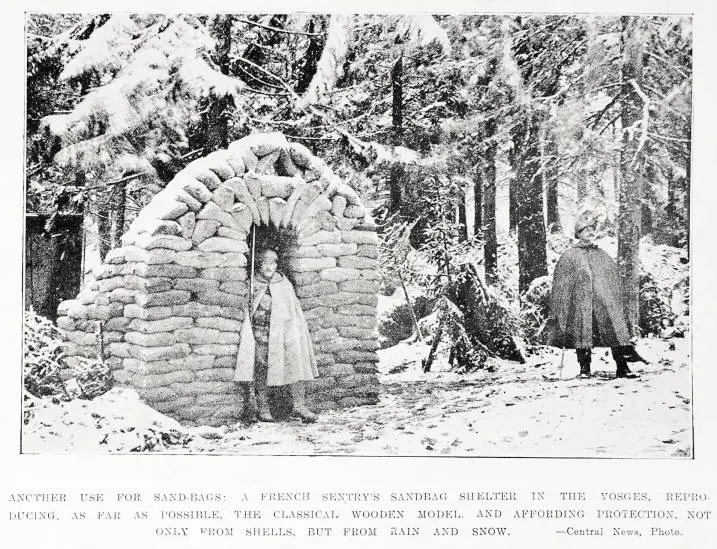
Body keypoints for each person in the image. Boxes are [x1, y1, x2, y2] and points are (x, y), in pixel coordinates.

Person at [545, 211, 646, 379]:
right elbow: (562, 282)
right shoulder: (569, 256)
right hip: (580, 303)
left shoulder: (602, 255)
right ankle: (585, 370)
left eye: (592, 230)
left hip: (603, 303)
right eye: (586, 230)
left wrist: (610, 297)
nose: (590, 233)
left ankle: (623, 367)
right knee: (581, 332)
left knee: (614, 330)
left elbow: (612, 279)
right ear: (578, 234)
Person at [234, 249, 319, 423]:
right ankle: (263, 408)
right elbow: (247, 308)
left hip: (284, 333)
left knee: (295, 360)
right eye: (265, 262)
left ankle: (299, 406)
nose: (269, 267)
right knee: (261, 366)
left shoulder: (284, 284)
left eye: (273, 263)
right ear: (259, 264)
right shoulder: (253, 283)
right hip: (262, 333)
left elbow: (292, 310)